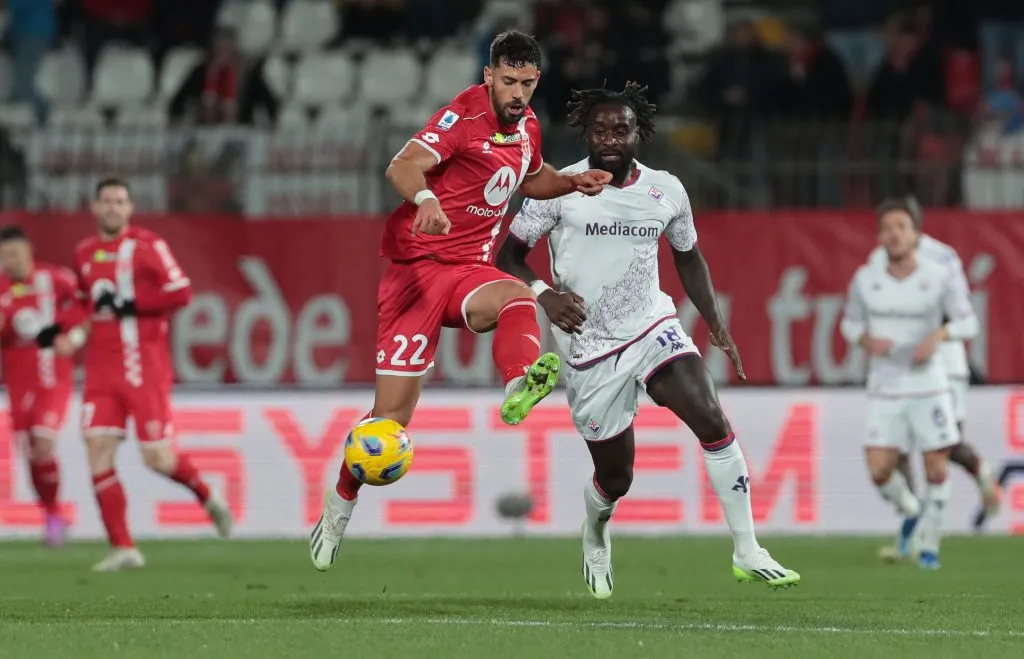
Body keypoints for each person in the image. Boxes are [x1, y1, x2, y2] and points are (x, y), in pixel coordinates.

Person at [309, 30, 611, 572]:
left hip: (468, 271)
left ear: (536, 81)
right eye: (509, 81)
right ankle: (338, 507)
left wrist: (572, 181)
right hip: (415, 275)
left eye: (527, 83)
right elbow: (402, 165)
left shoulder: (528, 128)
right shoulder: (462, 118)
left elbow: (532, 178)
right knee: (387, 425)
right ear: (489, 76)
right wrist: (425, 198)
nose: (517, 93)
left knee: (520, 296)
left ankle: (519, 383)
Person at [496, 82, 801, 598]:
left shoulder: (667, 190)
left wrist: (717, 324)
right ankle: (595, 530)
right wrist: (545, 296)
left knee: (711, 417)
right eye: (599, 129)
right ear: (585, 133)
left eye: (622, 129)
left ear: (640, 134)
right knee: (616, 480)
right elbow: (507, 257)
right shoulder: (558, 188)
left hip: (650, 328)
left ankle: (747, 549)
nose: (610, 137)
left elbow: (689, 257)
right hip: (588, 348)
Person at [56, 177, 233, 572]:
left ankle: (206, 494)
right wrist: (75, 333)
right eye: (106, 201)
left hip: (143, 368)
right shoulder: (84, 252)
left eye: (120, 201)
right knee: (97, 451)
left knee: (157, 457)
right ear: (95, 208)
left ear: (130, 208)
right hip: (101, 371)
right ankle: (123, 547)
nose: (113, 208)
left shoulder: (147, 246)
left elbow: (180, 291)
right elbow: (83, 303)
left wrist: (128, 301)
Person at [840, 197, 979, 570]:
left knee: (936, 467)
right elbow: (849, 324)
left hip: (930, 384)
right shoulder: (866, 279)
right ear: (879, 236)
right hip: (886, 384)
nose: (894, 235)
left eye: (902, 227)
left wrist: (940, 335)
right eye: (887, 228)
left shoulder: (939, 276)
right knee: (880, 471)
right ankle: (912, 510)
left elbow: (969, 322)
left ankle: (930, 547)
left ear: (916, 233)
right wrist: (867, 341)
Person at [0, 226, 81, 547]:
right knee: (31, 453)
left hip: (53, 377)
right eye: (4, 255)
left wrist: (72, 338)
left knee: (43, 442)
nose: (10, 260)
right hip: (19, 382)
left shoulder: (56, 278)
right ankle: (52, 514)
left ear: (29, 251)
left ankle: (53, 518)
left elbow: (83, 308)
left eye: (15, 253)